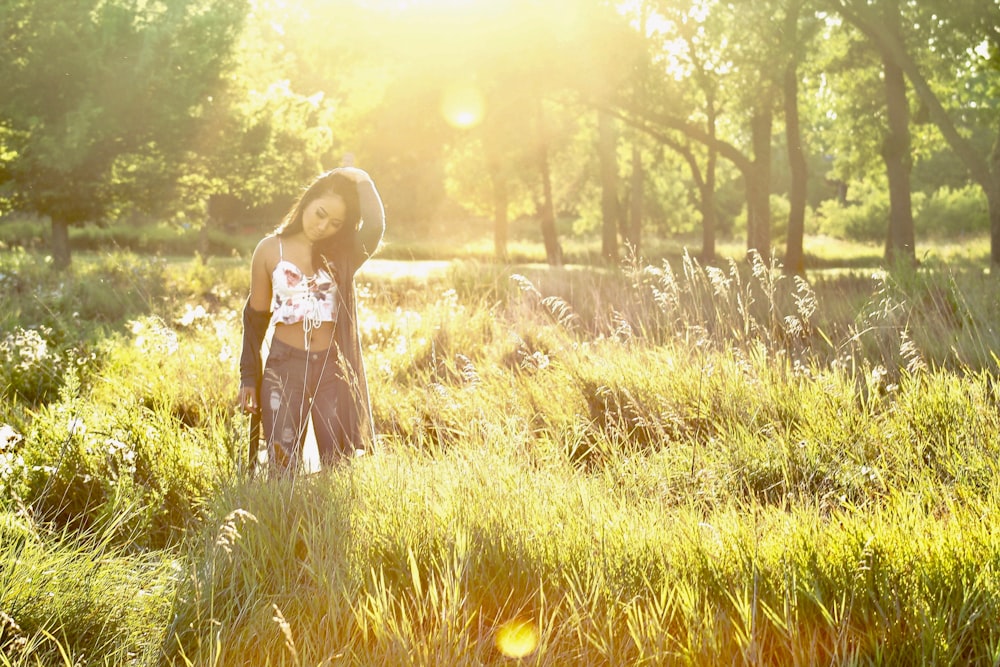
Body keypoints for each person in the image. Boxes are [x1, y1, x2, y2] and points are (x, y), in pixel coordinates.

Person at [238, 167, 385, 473]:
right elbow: (254, 320)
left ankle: (325, 521)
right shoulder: (269, 249)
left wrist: (363, 179)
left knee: (339, 466)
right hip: (284, 367)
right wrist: (248, 377)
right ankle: (281, 520)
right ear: (307, 201)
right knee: (281, 467)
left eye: (335, 223)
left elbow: (375, 225)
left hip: (333, 368)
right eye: (319, 214)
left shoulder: (343, 253)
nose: (323, 226)